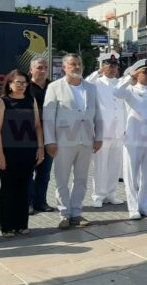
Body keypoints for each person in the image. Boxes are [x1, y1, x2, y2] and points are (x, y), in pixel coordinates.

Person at [43, 53, 103, 229]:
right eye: (73, 64)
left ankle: (76, 213)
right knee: (62, 179)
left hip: (86, 140)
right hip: (63, 142)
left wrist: (98, 137)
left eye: (79, 64)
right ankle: (64, 214)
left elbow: (98, 114)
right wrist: (50, 141)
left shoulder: (91, 88)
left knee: (81, 179)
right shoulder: (55, 87)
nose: (77, 67)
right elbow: (48, 117)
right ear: (64, 68)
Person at [0, 70, 45, 237]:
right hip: (8, 152)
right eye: (17, 83)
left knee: (24, 188)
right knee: (8, 189)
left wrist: (40, 148)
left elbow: (37, 126)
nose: (21, 86)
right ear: (9, 84)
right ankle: (7, 226)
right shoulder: (3, 101)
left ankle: (21, 224)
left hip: (27, 152)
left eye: (24, 83)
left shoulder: (31, 100)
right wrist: (0, 154)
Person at [113, 59, 147, 219]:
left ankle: (144, 205)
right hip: (133, 138)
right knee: (131, 175)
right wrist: (130, 77)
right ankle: (133, 208)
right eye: (145, 72)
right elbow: (116, 92)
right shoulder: (130, 89)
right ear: (137, 73)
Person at [85, 53, 126, 207]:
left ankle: (111, 193)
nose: (113, 69)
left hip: (118, 131)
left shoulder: (120, 82)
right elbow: (86, 82)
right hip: (103, 132)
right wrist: (98, 72)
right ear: (103, 66)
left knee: (115, 165)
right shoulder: (96, 83)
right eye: (110, 66)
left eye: (115, 66)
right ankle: (98, 196)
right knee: (100, 165)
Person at [27, 58, 55, 214]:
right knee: (28, 172)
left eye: (45, 67)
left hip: (49, 136)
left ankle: (41, 202)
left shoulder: (54, 86)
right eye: (39, 67)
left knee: (44, 172)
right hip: (29, 137)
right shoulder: (25, 87)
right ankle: (28, 203)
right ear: (31, 70)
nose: (43, 70)